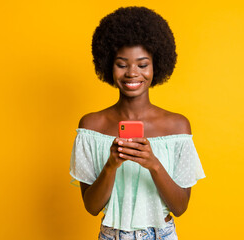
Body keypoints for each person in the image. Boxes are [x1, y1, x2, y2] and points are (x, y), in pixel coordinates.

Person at [70, 6, 205, 240]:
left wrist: (153, 164)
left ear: (156, 66)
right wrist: (111, 165)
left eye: (142, 65)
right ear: (108, 66)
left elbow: (180, 207)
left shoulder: (177, 127)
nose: (132, 73)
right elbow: (91, 207)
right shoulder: (91, 126)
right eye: (122, 64)